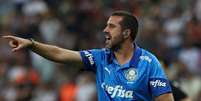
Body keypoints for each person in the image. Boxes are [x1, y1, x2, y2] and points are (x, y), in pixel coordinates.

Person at [3, 11, 174, 101]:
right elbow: (60, 53)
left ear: (126, 33)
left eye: (112, 26)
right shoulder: (100, 57)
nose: (105, 30)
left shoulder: (149, 62)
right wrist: (32, 44)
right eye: (106, 25)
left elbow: (166, 99)